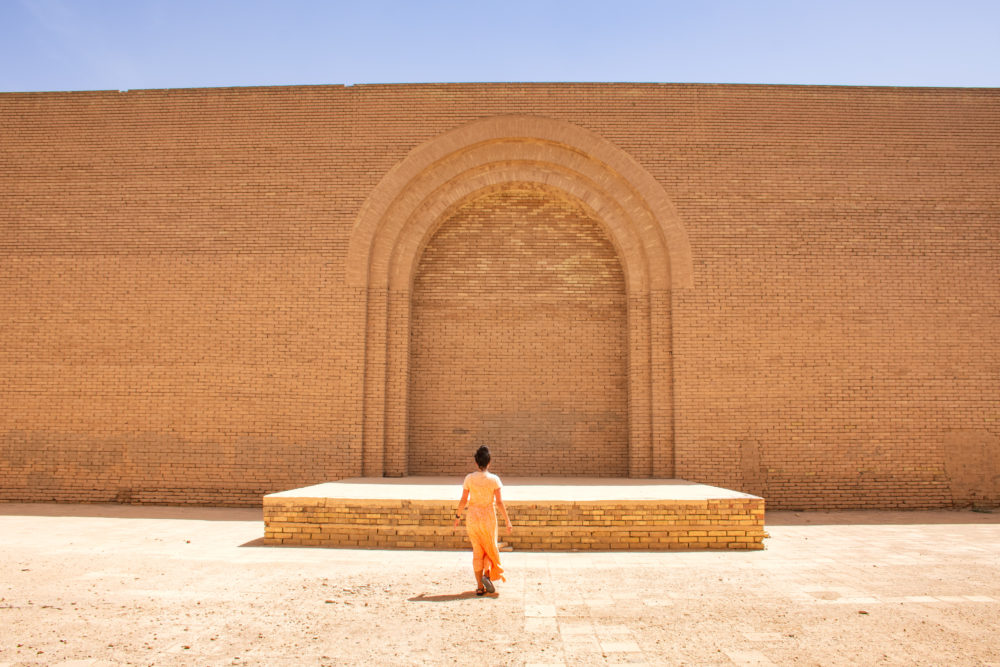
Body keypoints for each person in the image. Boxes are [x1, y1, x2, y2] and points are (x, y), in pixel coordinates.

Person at [453, 445, 512, 596]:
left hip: (473, 517)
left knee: (477, 551)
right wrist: (507, 520)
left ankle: (480, 585)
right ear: (489, 462)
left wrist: (457, 516)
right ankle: (487, 575)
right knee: (490, 548)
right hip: (488, 518)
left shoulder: (469, 479)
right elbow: (499, 502)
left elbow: (463, 500)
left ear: (476, 462)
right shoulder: (494, 480)